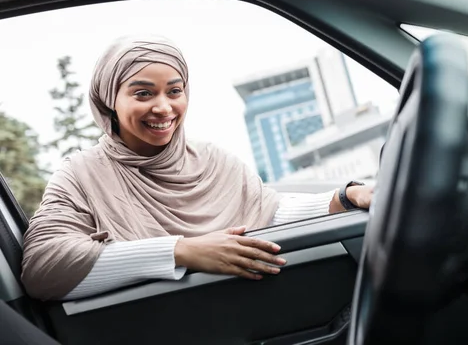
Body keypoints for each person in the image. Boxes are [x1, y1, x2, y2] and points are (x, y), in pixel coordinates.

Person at [21, 35, 374, 301]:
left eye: (174, 91)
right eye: (143, 94)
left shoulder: (213, 160)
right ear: (109, 100)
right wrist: (181, 250)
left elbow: (267, 211)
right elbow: (43, 266)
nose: (164, 108)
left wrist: (345, 197)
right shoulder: (80, 174)